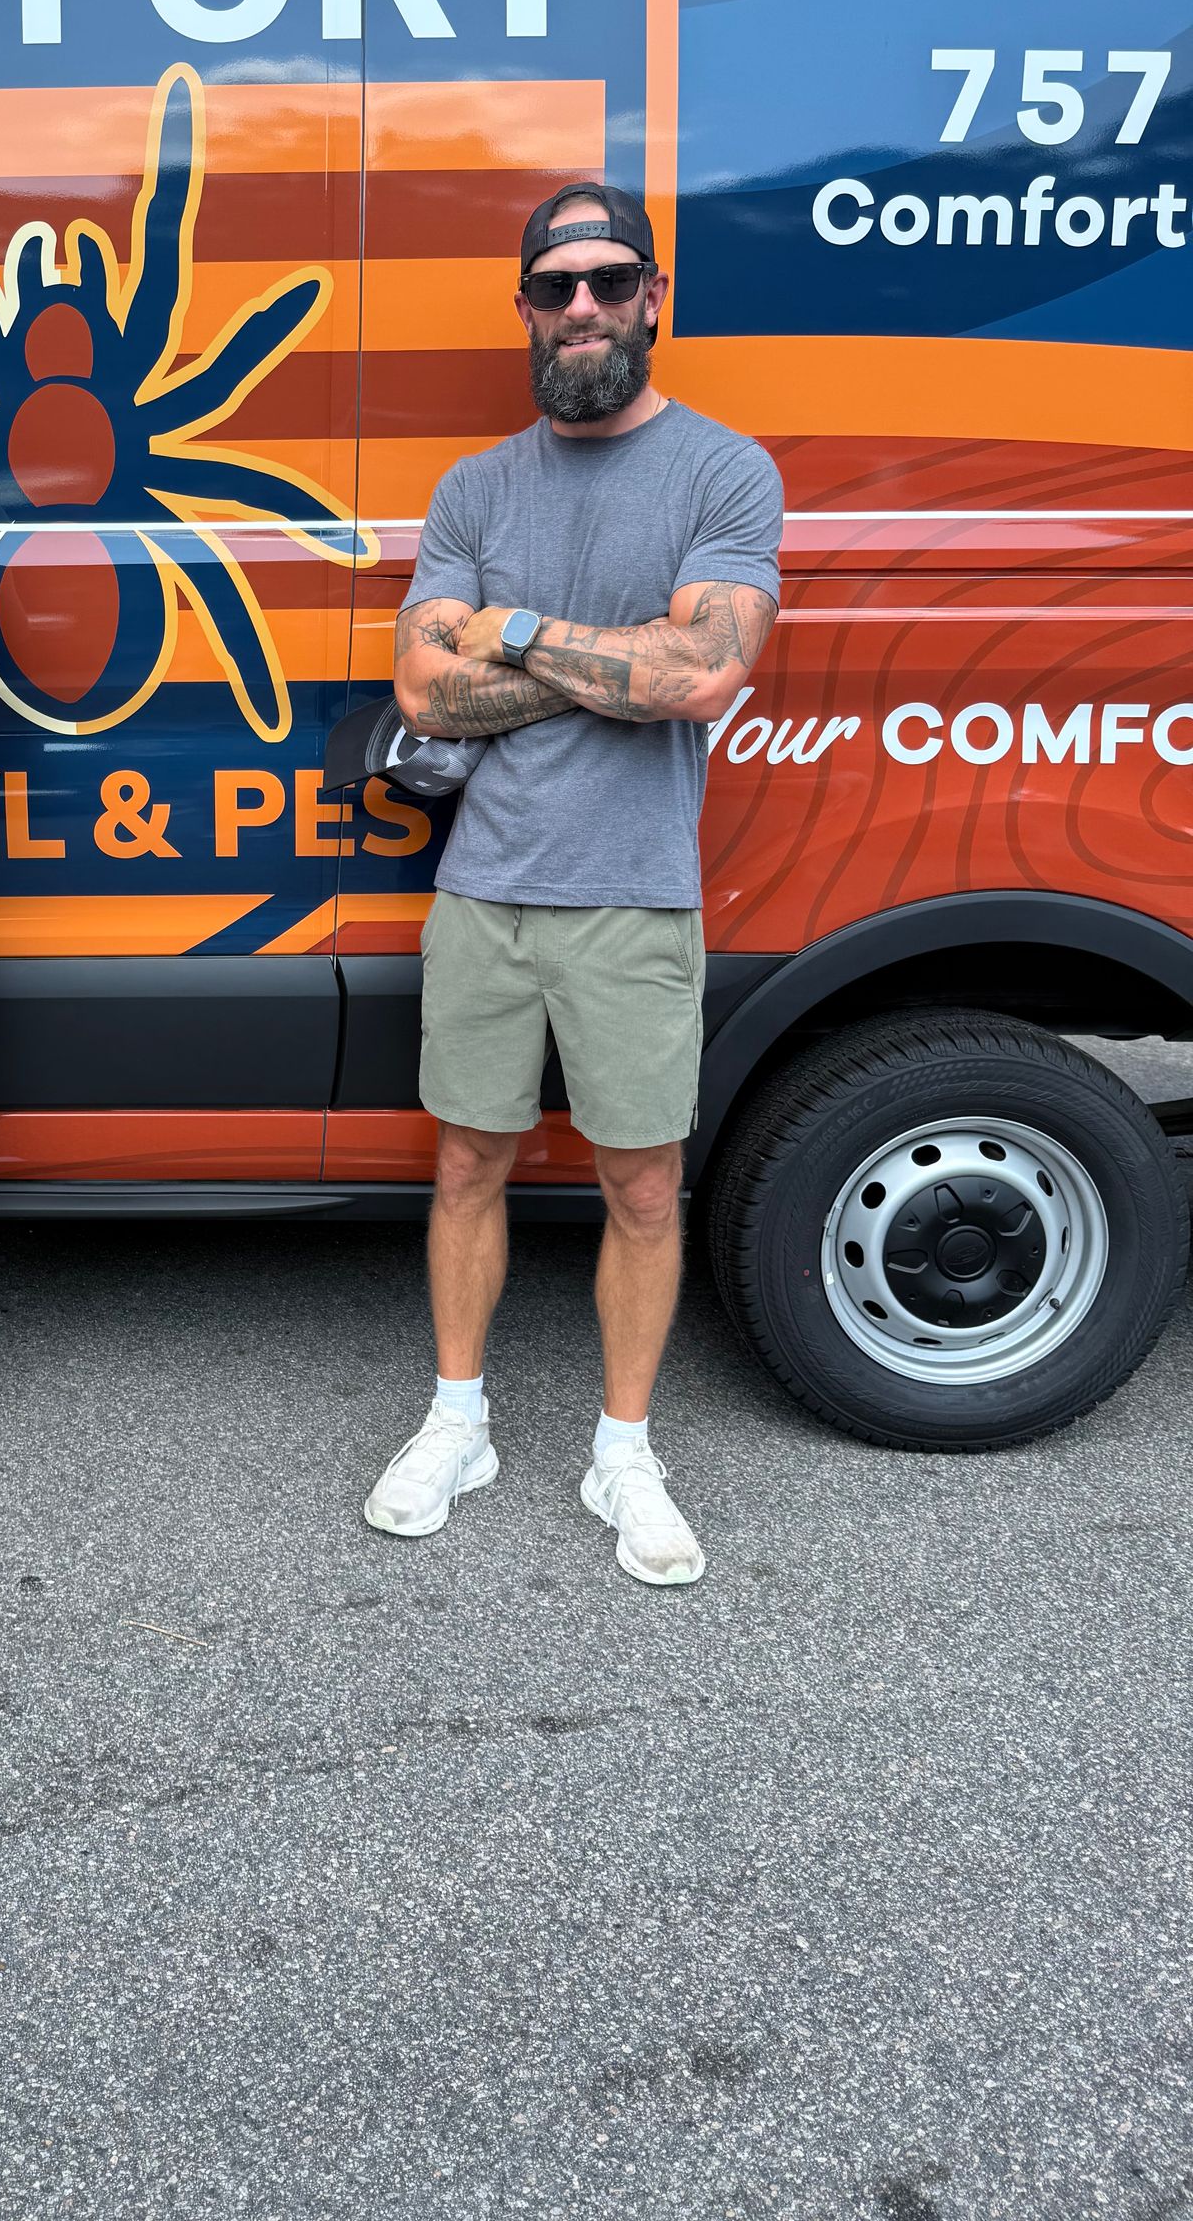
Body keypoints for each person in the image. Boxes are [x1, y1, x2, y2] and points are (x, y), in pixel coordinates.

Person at [362, 184, 783, 1585]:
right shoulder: (476, 488)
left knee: (644, 1186)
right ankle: (459, 1422)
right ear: (527, 310)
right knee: (465, 1163)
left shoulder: (722, 474)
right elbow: (426, 691)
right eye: (556, 287)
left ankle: (624, 1452)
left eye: (609, 281)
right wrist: (617, 659)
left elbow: (703, 675)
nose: (583, 306)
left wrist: (519, 629)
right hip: (486, 890)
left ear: (653, 297)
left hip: (635, 896)